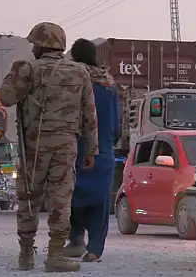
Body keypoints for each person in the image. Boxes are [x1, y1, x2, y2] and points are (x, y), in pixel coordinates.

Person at [0, 22, 98, 272]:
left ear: (42, 44)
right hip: (66, 143)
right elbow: (89, 115)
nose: (32, 48)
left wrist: (13, 73)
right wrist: (91, 149)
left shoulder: (27, 69)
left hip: (35, 143)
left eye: (34, 43)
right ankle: (55, 255)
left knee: (29, 197)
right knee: (61, 199)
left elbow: (6, 98)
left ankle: (26, 254)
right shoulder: (80, 72)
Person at [64, 38, 120, 263]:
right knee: (99, 200)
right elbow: (116, 125)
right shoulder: (108, 84)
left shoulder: (71, 80)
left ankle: (75, 239)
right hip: (102, 151)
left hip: (72, 148)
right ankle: (95, 248)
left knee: (69, 196)